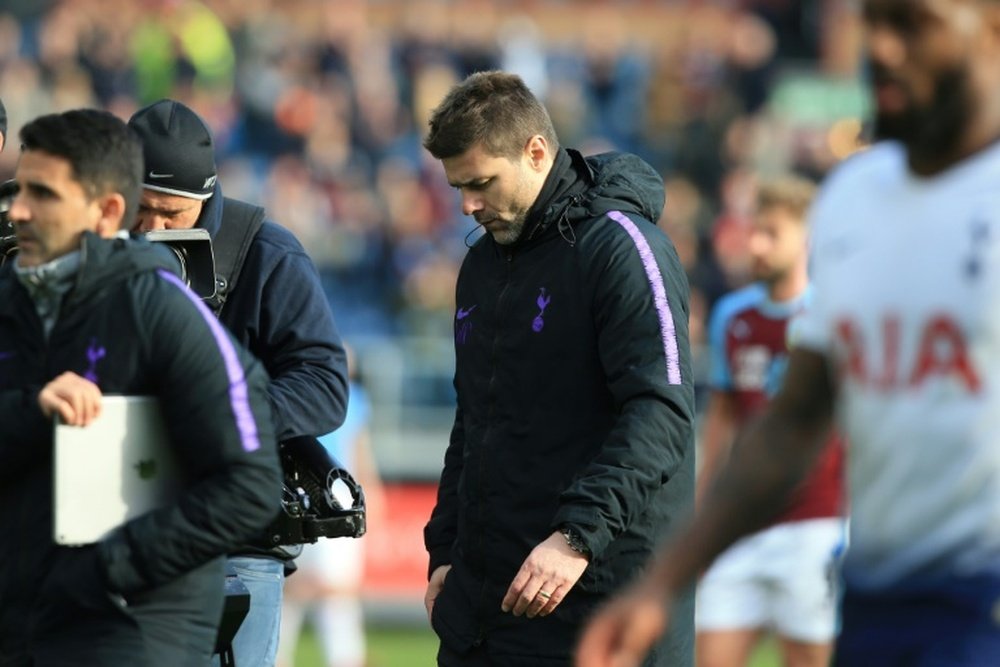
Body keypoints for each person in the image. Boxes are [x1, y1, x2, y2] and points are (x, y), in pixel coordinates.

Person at [577, 1, 1000, 665]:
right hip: (875, 599)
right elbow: (793, 422)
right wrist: (662, 581)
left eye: (914, 24)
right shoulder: (852, 198)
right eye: (875, 23)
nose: (882, 48)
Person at [422, 71, 696, 666]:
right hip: (486, 611)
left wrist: (575, 539)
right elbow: (473, 421)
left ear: (536, 152)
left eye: (481, 183)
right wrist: (445, 553)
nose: (467, 205)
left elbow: (661, 412)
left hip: (599, 599)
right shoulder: (482, 265)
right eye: (458, 188)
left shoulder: (623, 248)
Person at [0, 108, 282, 665]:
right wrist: (31, 412)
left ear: (107, 212)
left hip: (131, 630)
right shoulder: (9, 304)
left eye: (44, 194)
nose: (19, 209)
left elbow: (250, 486)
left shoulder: (162, 310)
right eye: (20, 188)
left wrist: (110, 565)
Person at [127, 98, 350, 667]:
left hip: (234, 542)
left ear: (204, 197)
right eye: (138, 208)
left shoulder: (267, 255)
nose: (150, 227)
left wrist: (227, 414)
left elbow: (324, 383)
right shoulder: (89, 247)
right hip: (114, 530)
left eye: (169, 213)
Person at [694, 175, 845, 667]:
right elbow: (725, 419)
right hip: (739, 522)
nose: (756, 244)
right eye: (754, 231)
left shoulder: (832, 316)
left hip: (814, 522)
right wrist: (704, 506)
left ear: (807, 239)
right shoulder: (731, 317)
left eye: (772, 232)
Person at [277, 345, 385, 667]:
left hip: (337, 493)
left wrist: (372, 490)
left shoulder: (353, 399)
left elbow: (359, 449)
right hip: (305, 488)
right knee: (294, 593)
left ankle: (344, 658)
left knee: (334, 598)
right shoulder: (306, 392)